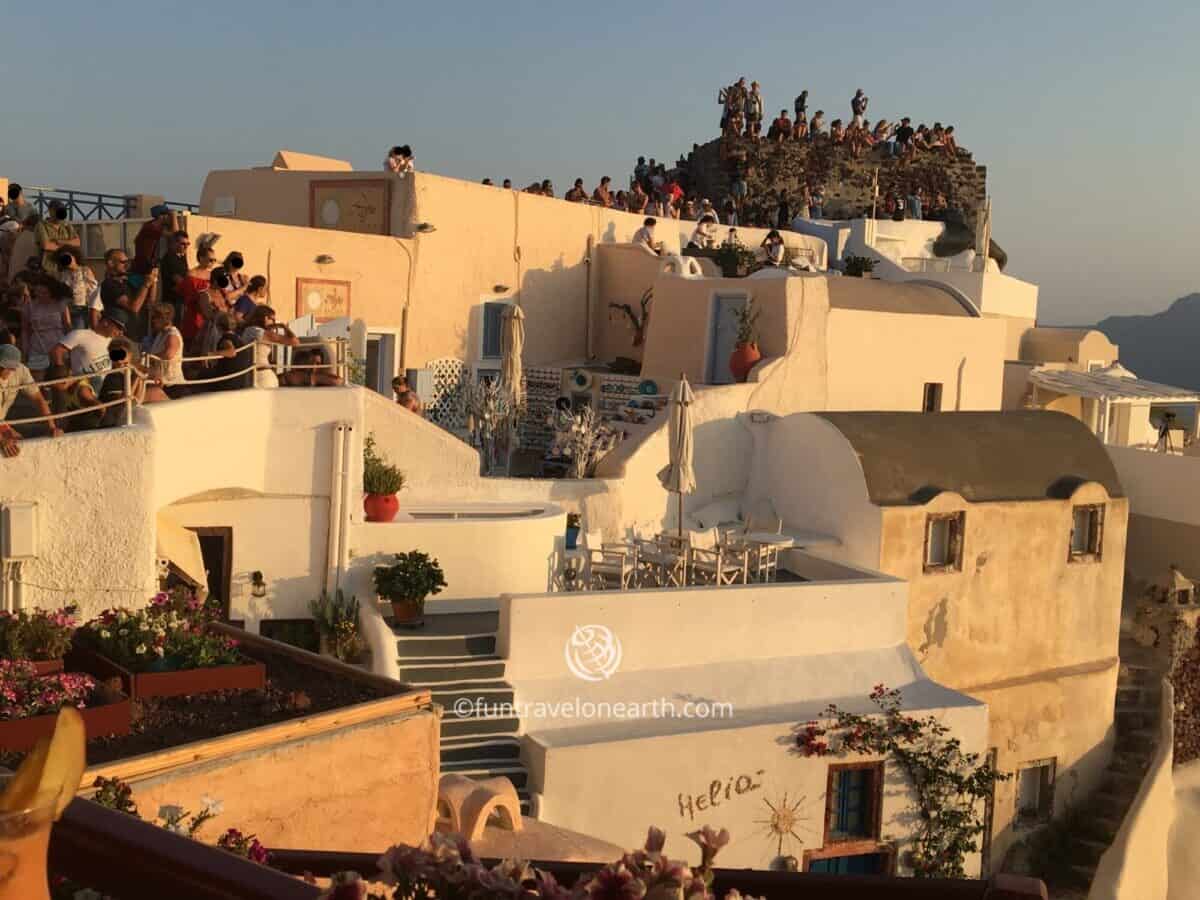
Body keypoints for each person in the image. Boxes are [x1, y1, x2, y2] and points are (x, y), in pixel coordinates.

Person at [1, 344, 61, 456]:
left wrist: (52, 427)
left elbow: (38, 399)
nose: (2, 370)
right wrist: (1, 439)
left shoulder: (21, 371)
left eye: (5, 367)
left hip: (1, 421)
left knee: (19, 442)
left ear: (14, 368)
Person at [50, 307, 130, 381]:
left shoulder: (113, 342)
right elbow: (57, 351)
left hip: (103, 387)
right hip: (82, 387)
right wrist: (61, 372)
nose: (120, 332)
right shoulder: (80, 334)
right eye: (119, 328)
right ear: (106, 322)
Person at [21, 278, 71, 379]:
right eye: (38, 292)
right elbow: (25, 330)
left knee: (58, 381)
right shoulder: (29, 306)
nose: (40, 295)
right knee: (37, 381)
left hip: (58, 348)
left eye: (44, 293)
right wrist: (25, 349)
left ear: (52, 292)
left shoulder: (60, 305)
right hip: (37, 347)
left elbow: (68, 327)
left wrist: (70, 348)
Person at [240, 305, 299, 388]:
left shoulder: (248, 330)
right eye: (273, 319)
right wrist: (283, 326)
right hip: (263, 376)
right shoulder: (259, 332)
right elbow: (295, 342)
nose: (274, 323)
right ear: (265, 318)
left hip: (253, 375)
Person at [99, 248, 156, 328]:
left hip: (136, 330)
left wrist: (153, 279)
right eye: (123, 262)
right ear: (110, 263)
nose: (127, 265)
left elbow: (151, 301)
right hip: (120, 332)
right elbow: (134, 307)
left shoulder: (128, 279)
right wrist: (146, 284)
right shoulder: (109, 284)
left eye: (128, 262)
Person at [144, 303, 187, 397]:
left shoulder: (172, 334)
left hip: (172, 385)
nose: (153, 320)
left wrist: (150, 358)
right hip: (161, 382)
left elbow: (169, 354)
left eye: (155, 317)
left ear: (164, 318)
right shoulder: (160, 334)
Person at [55, 248, 103, 332]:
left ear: (74, 257)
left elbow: (92, 291)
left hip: (81, 309)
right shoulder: (63, 274)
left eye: (68, 256)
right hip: (67, 310)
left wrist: (94, 310)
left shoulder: (85, 270)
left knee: (78, 334)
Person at [130, 205, 177, 278]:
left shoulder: (152, 226)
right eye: (168, 215)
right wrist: (174, 216)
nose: (169, 218)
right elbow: (175, 234)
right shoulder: (150, 227)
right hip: (142, 268)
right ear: (161, 216)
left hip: (146, 266)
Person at [34, 202, 79, 273]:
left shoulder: (66, 225)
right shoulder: (41, 226)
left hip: (68, 267)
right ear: (51, 212)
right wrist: (68, 246)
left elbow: (77, 242)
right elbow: (46, 245)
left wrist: (61, 242)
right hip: (50, 267)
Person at [159, 230, 191, 320]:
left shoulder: (181, 257)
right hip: (172, 302)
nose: (186, 247)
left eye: (187, 244)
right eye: (183, 244)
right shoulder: (169, 258)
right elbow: (178, 280)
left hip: (180, 300)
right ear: (174, 243)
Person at [279, 347, 344, 387]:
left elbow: (338, 381)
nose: (314, 366)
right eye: (312, 362)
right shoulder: (299, 375)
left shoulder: (317, 376)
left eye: (317, 364)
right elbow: (336, 381)